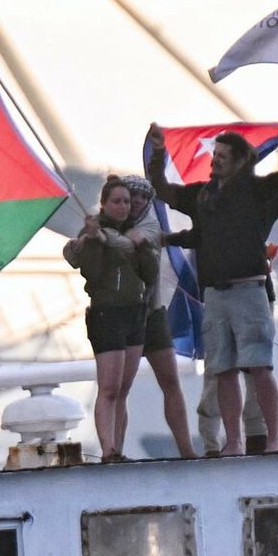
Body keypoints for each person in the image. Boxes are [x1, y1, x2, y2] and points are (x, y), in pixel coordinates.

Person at [147, 120, 278, 455]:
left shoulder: (259, 194)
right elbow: (163, 189)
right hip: (215, 294)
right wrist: (158, 153)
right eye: (214, 154)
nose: (214, 160)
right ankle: (233, 442)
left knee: (259, 366)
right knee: (223, 369)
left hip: (250, 291)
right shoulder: (202, 197)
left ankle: (271, 438)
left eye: (223, 156)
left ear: (241, 161)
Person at [64, 177, 162, 462]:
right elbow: (91, 272)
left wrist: (142, 247)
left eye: (126, 202)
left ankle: (118, 446)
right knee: (108, 387)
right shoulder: (93, 231)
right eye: (117, 201)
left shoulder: (136, 232)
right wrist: (94, 241)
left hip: (135, 312)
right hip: (107, 314)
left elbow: (149, 273)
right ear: (104, 203)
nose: (123, 207)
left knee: (123, 389)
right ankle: (108, 449)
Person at [118, 174, 195, 458]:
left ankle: (186, 450)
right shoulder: (106, 226)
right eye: (130, 196)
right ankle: (114, 450)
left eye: (142, 197)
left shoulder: (150, 225)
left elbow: (142, 238)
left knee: (170, 382)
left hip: (152, 311)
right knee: (119, 388)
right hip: (123, 316)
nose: (136, 202)